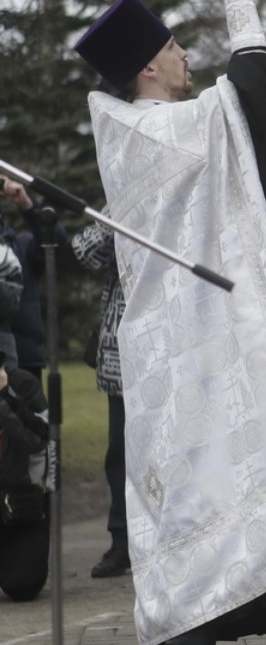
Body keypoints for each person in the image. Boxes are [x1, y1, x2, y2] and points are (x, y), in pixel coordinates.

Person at [73, 0, 266, 645]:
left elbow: (237, 114)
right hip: (195, 341)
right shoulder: (162, 130)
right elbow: (250, 96)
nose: (189, 59)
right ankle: (189, 641)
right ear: (149, 65)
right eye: (177, 48)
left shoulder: (141, 135)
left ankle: (171, 635)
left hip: (172, 340)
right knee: (209, 484)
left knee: (183, 489)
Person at [72, 221, 130, 579]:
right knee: (120, 455)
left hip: (171, 348)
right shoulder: (125, 198)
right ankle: (122, 542)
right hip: (122, 356)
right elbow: (85, 250)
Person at [0, 177, 69, 380]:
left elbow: (55, 239)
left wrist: (27, 205)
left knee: (29, 412)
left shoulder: (21, 246)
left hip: (24, 359)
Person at [0, 357, 50, 603]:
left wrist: (4, 398)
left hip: (20, 500)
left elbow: (39, 440)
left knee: (23, 585)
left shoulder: (22, 384)